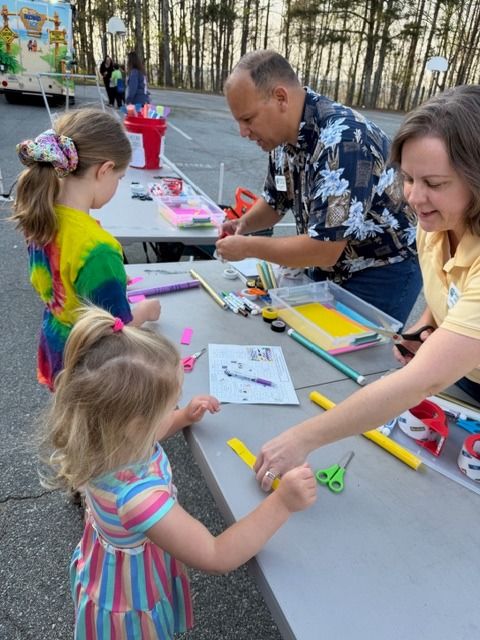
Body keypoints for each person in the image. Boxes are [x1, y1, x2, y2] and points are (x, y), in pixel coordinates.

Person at [40, 305, 317, 638]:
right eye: (171, 403)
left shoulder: (104, 441)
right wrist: (283, 503)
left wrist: (183, 416)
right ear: (136, 425)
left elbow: (148, 432)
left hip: (110, 561)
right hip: (130, 598)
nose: (175, 405)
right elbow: (217, 554)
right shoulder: (141, 501)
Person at [253, 84, 480, 491]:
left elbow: (421, 381)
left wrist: (303, 437)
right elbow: (447, 288)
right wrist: (425, 327)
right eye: (408, 178)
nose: (414, 196)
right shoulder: (436, 223)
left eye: (434, 183)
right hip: (465, 379)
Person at [216, 50, 422, 324]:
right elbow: (276, 200)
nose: (243, 132)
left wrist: (249, 247)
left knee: (353, 358)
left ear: (280, 98)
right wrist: (243, 224)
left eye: (248, 119)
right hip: (332, 266)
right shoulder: (281, 140)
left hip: (380, 269)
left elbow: (325, 247)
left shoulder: (344, 143)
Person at [11, 108, 160, 390]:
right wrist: (146, 311)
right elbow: (116, 330)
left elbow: (61, 278)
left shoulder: (41, 215)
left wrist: (103, 281)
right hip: (89, 365)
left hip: (57, 344)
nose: (117, 184)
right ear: (104, 170)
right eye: (119, 177)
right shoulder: (98, 249)